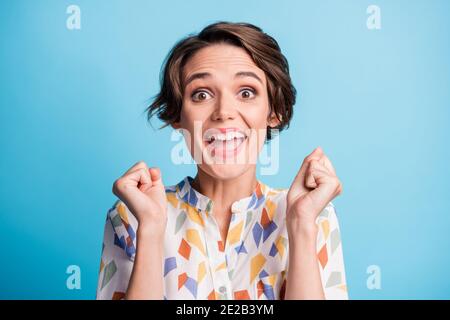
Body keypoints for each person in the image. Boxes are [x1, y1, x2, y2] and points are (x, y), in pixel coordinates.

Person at [96, 21, 347, 300]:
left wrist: (301, 225)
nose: (224, 112)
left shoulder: (313, 214)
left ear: (274, 111)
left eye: (246, 92)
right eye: (201, 94)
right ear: (178, 116)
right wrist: (152, 229)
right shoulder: (133, 216)